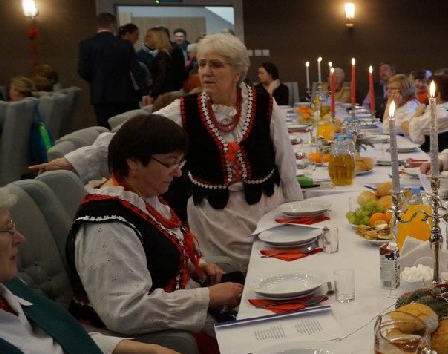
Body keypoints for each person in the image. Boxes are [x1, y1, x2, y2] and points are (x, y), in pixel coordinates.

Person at [34, 32, 303, 273]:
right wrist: (74, 161)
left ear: (238, 72)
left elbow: (286, 164)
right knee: (230, 278)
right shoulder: (186, 108)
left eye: (216, 65)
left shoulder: (264, 104)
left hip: (266, 210)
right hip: (214, 220)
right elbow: (134, 134)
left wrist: (297, 217)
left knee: (278, 271)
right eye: (202, 64)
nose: (206, 72)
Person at [0, 188, 212, 354]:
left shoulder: (12, 289)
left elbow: (71, 340)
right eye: (7, 229)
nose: (20, 238)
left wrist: (154, 352)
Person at [63, 114, 242, 354]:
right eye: (169, 163)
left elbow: (157, 249)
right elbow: (125, 311)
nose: (177, 172)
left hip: (180, 315)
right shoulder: (106, 224)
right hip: (140, 337)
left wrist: (195, 265)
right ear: (133, 162)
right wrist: (207, 296)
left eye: (180, 163)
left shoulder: (141, 197)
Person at [77, 12, 139, 127]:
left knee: (105, 127)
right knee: (125, 126)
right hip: (124, 92)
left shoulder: (87, 44)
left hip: (100, 93)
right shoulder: (125, 44)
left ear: (97, 25)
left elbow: (82, 70)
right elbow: (135, 69)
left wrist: (95, 79)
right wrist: (144, 91)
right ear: (112, 24)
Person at [402, 72, 448, 153]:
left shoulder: (443, 115)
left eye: (428, 92)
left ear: (437, 95)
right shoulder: (444, 108)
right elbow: (406, 125)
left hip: (438, 157)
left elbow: (408, 128)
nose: (427, 96)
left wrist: (419, 111)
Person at [146, 27, 186, 99]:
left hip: (163, 94)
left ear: (158, 38)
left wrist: (152, 93)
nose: (147, 39)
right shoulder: (165, 53)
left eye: (150, 36)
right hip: (167, 92)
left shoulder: (163, 55)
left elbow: (161, 78)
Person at [118, 23, 149, 100]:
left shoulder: (116, 45)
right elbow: (135, 69)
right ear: (128, 34)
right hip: (128, 87)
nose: (138, 38)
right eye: (136, 35)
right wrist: (144, 90)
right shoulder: (127, 47)